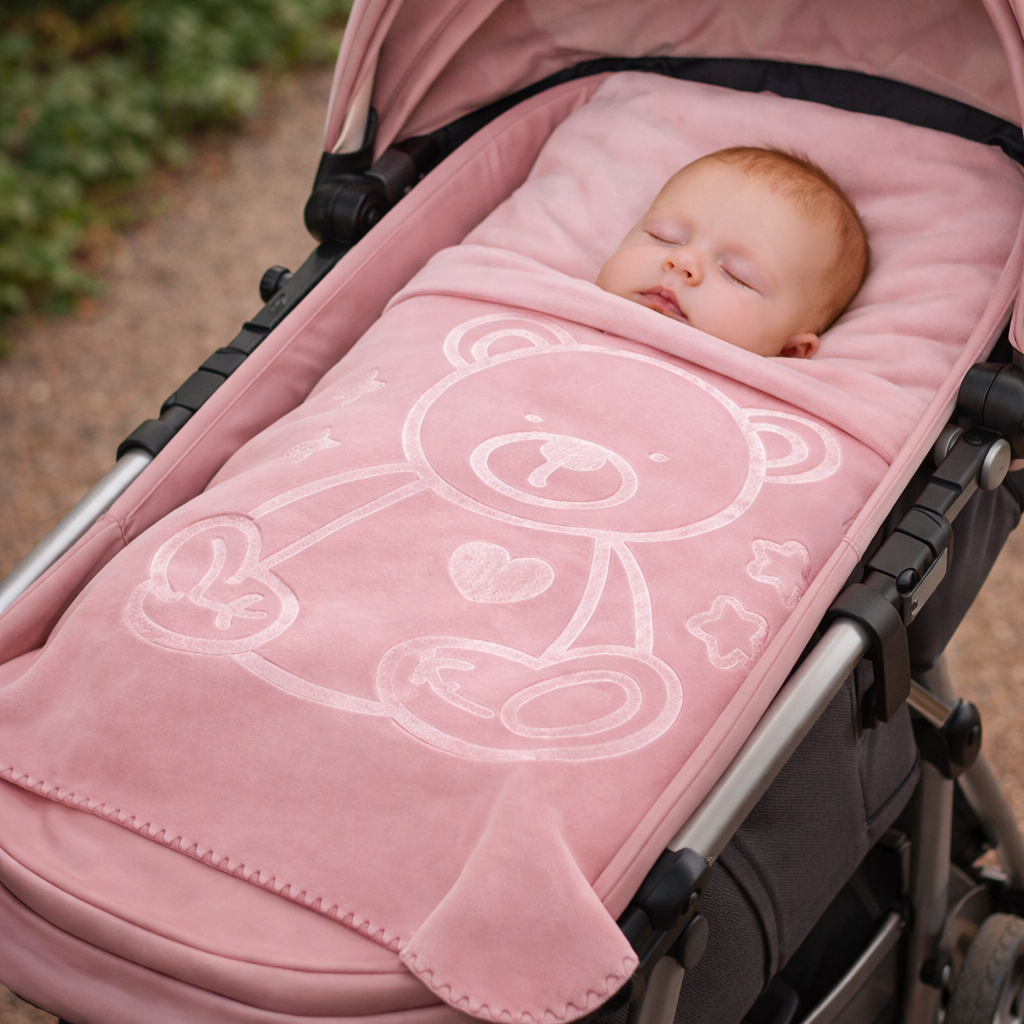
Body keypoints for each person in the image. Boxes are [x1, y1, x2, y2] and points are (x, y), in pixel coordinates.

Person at [596, 146, 869, 358]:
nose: (683, 261)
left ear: (789, 351)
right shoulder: (570, 301)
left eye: (736, 275)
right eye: (663, 237)